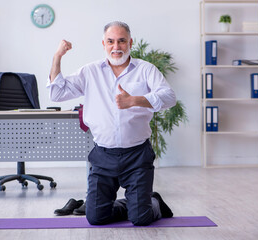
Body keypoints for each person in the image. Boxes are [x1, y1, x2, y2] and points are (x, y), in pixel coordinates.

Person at [47, 21, 176, 226]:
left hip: (137, 155)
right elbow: (57, 93)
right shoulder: (90, 72)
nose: (116, 47)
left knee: (141, 219)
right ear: (104, 44)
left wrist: (135, 100)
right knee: (96, 217)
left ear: (130, 42)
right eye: (111, 41)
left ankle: (152, 203)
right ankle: (134, 204)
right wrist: (57, 57)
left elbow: (169, 97)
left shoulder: (145, 69)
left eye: (121, 41)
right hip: (103, 156)